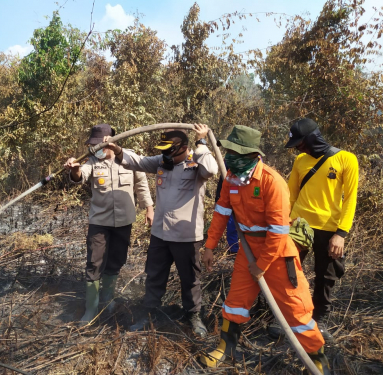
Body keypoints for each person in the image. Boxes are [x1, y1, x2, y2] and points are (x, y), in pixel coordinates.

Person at [199, 125, 330, 373]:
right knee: (235, 302)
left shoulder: (272, 182)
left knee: (296, 308)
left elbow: (279, 233)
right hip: (247, 251)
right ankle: (225, 349)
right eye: (228, 152)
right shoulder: (231, 179)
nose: (229, 158)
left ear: (251, 155)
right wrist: (210, 246)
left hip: (278, 254)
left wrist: (261, 266)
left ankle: (316, 357)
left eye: (235, 154)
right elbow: (221, 212)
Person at [104, 124, 218, 338]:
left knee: (190, 279)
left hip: (186, 235)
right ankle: (149, 313)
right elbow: (136, 161)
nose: (164, 155)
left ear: (183, 148)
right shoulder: (160, 162)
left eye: (169, 150)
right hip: (160, 233)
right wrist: (118, 150)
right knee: (154, 275)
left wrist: (202, 143)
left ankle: (193, 315)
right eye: (162, 150)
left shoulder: (197, 163)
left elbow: (212, 170)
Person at [64, 123, 154, 325]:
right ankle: (91, 309)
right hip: (99, 221)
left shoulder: (129, 157)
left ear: (111, 143)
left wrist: (149, 208)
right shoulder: (92, 160)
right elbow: (80, 176)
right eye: (93, 145)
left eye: (100, 145)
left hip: (124, 221)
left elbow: (141, 183)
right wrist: (75, 170)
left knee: (116, 261)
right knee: (94, 263)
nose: (97, 149)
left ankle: (107, 299)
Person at [284, 118, 359, 342]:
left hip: (329, 229)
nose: (298, 148)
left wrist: (341, 234)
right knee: (287, 271)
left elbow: (350, 200)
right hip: (298, 226)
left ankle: (319, 319)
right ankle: (288, 315)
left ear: (312, 138)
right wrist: (285, 223)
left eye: (300, 143)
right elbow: (291, 194)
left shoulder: (346, 159)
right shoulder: (300, 161)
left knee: (325, 277)